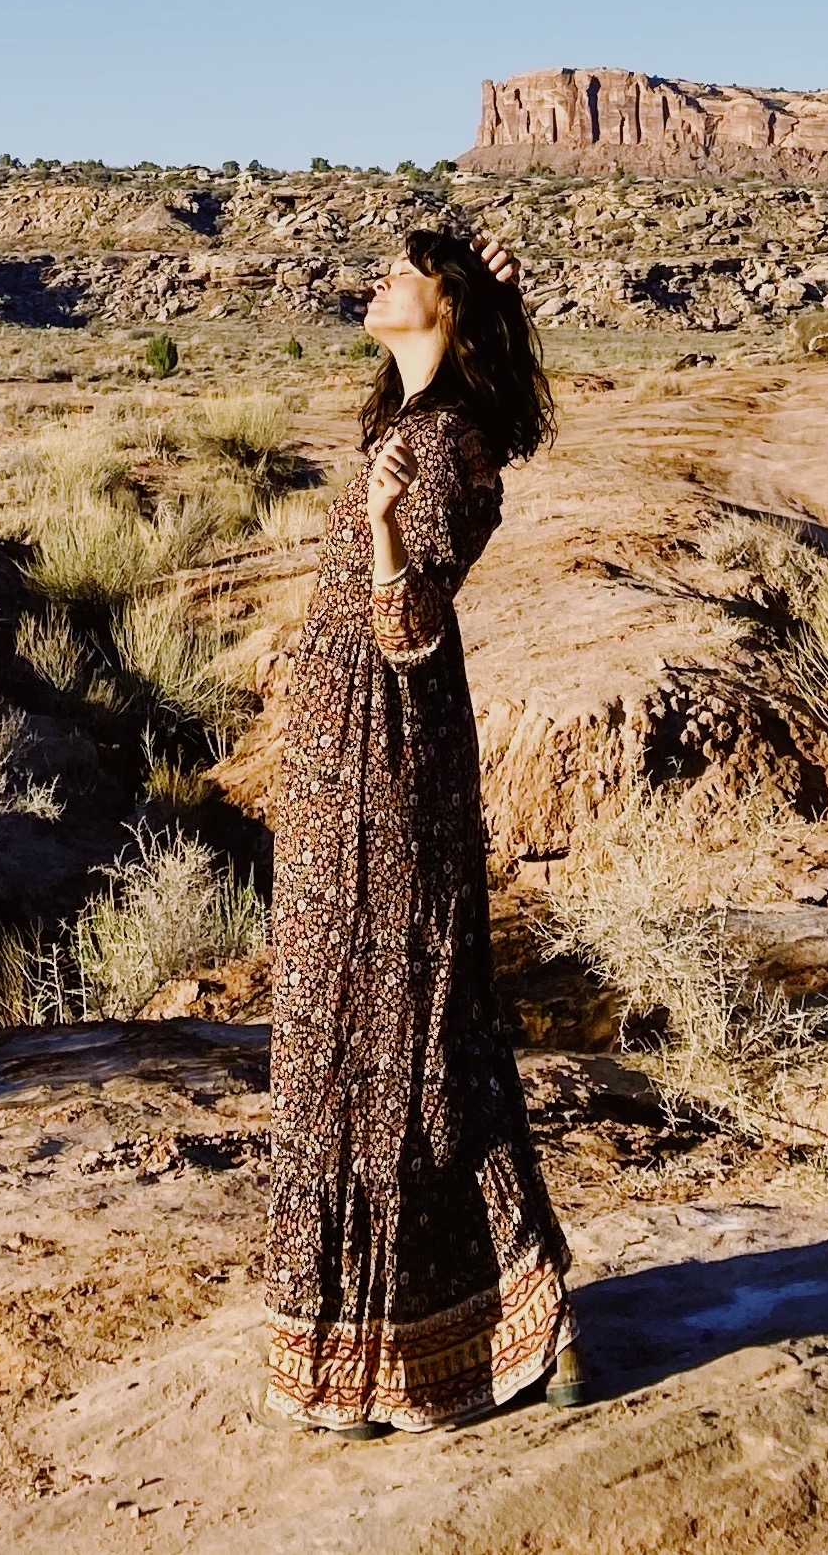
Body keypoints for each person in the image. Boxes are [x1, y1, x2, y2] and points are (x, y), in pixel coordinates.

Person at [261, 215, 582, 1433]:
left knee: (393, 1024)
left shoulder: (445, 444)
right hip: (343, 749)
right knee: (360, 1021)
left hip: (385, 752)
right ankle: (410, 1332)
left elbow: (411, 629)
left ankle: (437, 1337)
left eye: (403, 274)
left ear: (443, 306)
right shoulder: (402, 421)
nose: (378, 281)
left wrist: (390, 533)